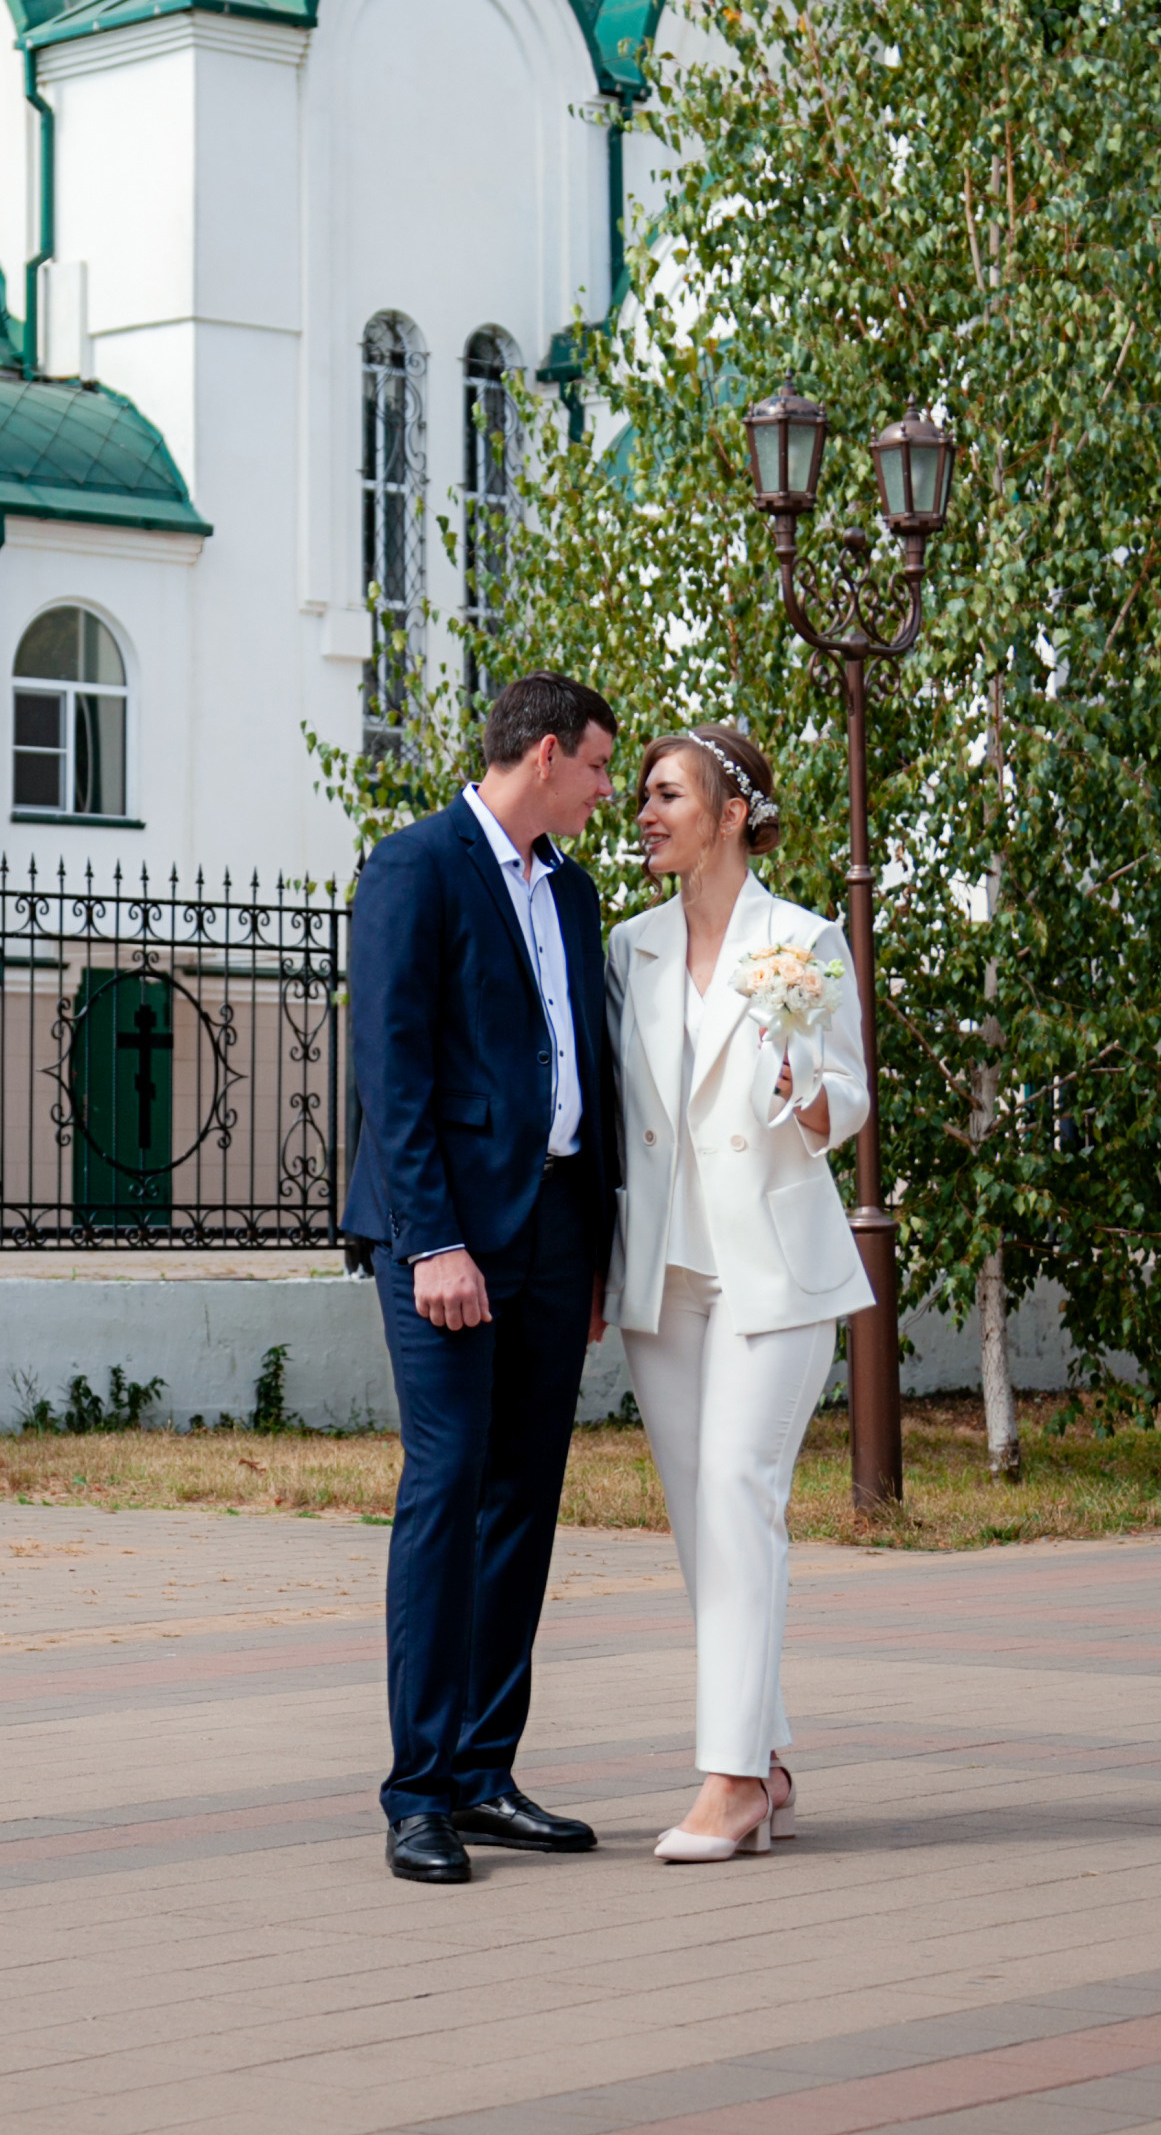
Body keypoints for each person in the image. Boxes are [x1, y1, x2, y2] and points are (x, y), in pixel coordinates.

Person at [345, 672, 622, 1884]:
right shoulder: (414, 865)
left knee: (524, 1494)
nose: (609, 791)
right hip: (449, 1234)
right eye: (600, 768)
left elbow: (581, 1066)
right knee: (446, 1486)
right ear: (546, 753)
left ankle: (482, 1770)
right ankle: (416, 1792)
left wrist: (597, 1243)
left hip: (557, 1227)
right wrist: (430, 1241)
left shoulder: (570, 887)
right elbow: (390, 1070)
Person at [604, 722, 873, 1864]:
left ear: (730, 810)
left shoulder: (802, 938)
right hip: (664, 1277)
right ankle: (763, 1755)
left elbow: (845, 1098)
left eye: (666, 793)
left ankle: (725, 1785)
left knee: (735, 1490)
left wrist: (801, 1092)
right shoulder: (628, 946)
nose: (644, 813)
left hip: (773, 1270)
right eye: (640, 797)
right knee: (700, 1523)